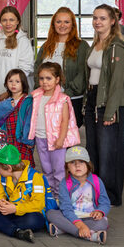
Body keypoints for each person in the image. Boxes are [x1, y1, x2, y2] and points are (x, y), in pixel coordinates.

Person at [84, 4, 124, 206]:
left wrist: (111, 111)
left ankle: (110, 196)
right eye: (95, 18)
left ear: (113, 21)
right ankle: (96, 193)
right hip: (93, 99)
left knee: (109, 152)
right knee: (93, 149)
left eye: (103, 18)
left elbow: (117, 83)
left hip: (110, 102)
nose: (98, 22)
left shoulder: (117, 47)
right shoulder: (96, 44)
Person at [29, 62, 81, 197]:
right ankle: (50, 195)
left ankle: (60, 195)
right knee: (46, 169)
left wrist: (61, 139)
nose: (44, 82)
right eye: (41, 78)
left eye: (49, 78)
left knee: (59, 170)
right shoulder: (36, 96)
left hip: (56, 140)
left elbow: (65, 121)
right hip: (40, 137)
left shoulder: (63, 99)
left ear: (57, 79)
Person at [34, 7, 89, 127]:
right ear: (53, 24)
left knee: (67, 135)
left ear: (72, 25)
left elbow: (83, 74)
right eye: (58, 22)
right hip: (46, 98)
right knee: (46, 133)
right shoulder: (46, 46)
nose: (62, 25)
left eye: (66, 22)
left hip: (70, 99)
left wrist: (65, 93)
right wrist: (41, 90)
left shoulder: (82, 46)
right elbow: (37, 69)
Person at [0, 145, 47, 243]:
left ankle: (0, 225)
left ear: (9, 168)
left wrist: (16, 208)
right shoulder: (3, 177)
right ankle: (17, 232)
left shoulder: (35, 177)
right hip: (9, 212)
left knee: (36, 220)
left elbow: (39, 204)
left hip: (26, 213)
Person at [46, 146, 110, 244]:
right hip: (70, 217)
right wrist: (80, 225)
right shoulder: (64, 183)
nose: (77, 165)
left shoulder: (97, 181)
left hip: (90, 217)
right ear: (67, 167)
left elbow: (105, 203)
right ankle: (91, 236)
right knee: (50, 214)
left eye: (81, 162)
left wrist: (100, 212)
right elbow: (66, 208)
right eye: (72, 162)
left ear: (88, 165)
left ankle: (65, 229)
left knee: (102, 223)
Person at [0, 6, 34, 94]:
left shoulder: (23, 41)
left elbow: (25, 69)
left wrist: (9, 91)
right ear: (0, 22)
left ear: (17, 21)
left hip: (17, 92)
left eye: (11, 20)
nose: (8, 23)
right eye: (4, 20)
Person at [0, 69, 35, 167]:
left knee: (23, 164)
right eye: (10, 81)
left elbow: (30, 122)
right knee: (9, 163)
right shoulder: (5, 101)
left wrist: (29, 140)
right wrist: (8, 106)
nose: (13, 84)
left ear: (23, 84)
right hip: (9, 136)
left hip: (22, 138)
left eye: (17, 81)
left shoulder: (28, 100)